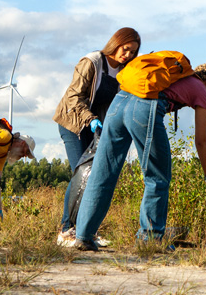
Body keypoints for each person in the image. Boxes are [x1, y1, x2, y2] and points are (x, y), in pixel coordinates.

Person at [73, 62, 206, 251]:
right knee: (158, 176)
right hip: (144, 107)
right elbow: (201, 140)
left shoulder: (173, 76)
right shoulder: (200, 89)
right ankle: (150, 240)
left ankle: (83, 236)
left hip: (119, 101)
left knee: (103, 172)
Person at [52, 27, 141, 246]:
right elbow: (74, 97)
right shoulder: (91, 62)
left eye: (133, 52)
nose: (127, 55)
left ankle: (85, 231)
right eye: (125, 49)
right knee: (82, 175)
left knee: (94, 178)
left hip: (96, 128)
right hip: (73, 123)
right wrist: (90, 118)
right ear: (116, 42)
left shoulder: (123, 72)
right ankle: (66, 230)